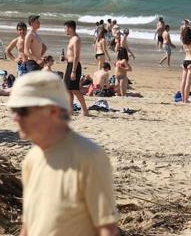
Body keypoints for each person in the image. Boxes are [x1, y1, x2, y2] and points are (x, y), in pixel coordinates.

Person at [8, 72, 119, 236]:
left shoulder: (88, 157)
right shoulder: (32, 159)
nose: (15, 118)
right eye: (13, 110)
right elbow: (29, 226)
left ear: (52, 111)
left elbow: (106, 229)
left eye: (23, 110)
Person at [64, 20, 87, 116]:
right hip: (69, 65)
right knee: (68, 90)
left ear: (70, 28)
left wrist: (73, 71)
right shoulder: (71, 39)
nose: (64, 30)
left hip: (75, 66)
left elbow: (76, 56)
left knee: (75, 90)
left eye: (65, 28)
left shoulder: (76, 39)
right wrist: (64, 58)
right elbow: (71, 55)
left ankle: (85, 110)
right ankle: (70, 110)